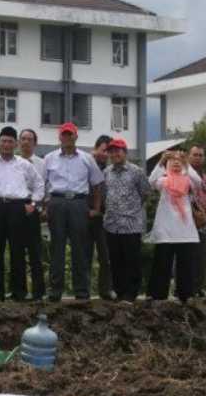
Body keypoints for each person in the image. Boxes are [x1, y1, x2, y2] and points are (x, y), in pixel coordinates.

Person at [0, 126, 44, 302]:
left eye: (10, 141)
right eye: (3, 141)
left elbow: (39, 184)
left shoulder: (24, 164)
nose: (7, 145)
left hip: (18, 209)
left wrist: (33, 203)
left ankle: (19, 293)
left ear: (15, 144)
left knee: (17, 253)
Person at [43, 122, 104, 301]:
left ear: (76, 137)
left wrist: (96, 208)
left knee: (80, 249)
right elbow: (42, 184)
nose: (67, 138)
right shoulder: (49, 158)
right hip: (57, 202)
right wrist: (44, 207)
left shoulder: (86, 158)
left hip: (79, 203)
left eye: (70, 135)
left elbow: (97, 184)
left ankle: (82, 291)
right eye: (64, 134)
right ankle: (55, 291)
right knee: (57, 248)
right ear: (60, 137)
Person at [147, 151, 202, 302]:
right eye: (173, 160)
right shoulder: (163, 181)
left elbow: (198, 182)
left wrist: (187, 163)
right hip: (165, 229)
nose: (176, 162)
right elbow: (151, 181)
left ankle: (186, 294)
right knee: (162, 262)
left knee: (186, 263)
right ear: (167, 165)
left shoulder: (187, 180)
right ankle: (158, 294)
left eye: (179, 161)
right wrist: (161, 160)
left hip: (184, 229)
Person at [102, 138, 151, 302]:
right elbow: (104, 194)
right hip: (112, 224)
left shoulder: (136, 171)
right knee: (115, 260)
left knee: (132, 260)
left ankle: (131, 293)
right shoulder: (106, 172)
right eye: (111, 151)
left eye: (118, 150)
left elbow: (145, 193)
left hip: (131, 224)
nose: (114, 154)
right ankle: (119, 291)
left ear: (125, 152)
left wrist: (131, 210)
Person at [17, 128, 47, 300]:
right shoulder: (12, 161)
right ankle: (20, 291)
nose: (26, 142)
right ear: (19, 142)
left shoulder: (42, 164)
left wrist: (40, 207)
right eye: (23, 139)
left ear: (35, 143)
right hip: (15, 209)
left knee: (35, 252)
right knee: (17, 252)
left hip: (34, 209)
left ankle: (38, 292)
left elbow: (45, 187)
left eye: (30, 139)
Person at [88, 135, 115, 300]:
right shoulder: (86, 164)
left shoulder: (111, 169)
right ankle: (83, 289)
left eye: (109, 151)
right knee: (85, 255)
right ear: (96, 148)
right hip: (87, 215)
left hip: (105, 218)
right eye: (104, 150)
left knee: (106, 256)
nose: (107, 154)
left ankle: (105, 290)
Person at [187, 145, 206, 297]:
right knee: (186, 257)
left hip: (202, 222)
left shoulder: (205, 179)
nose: (198, 157)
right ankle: (185, 288)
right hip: (186, 222)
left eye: (200, 155)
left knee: (201, 257)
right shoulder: (183, 174)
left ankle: (198, 288)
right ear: (188, 156)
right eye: (195, 154)